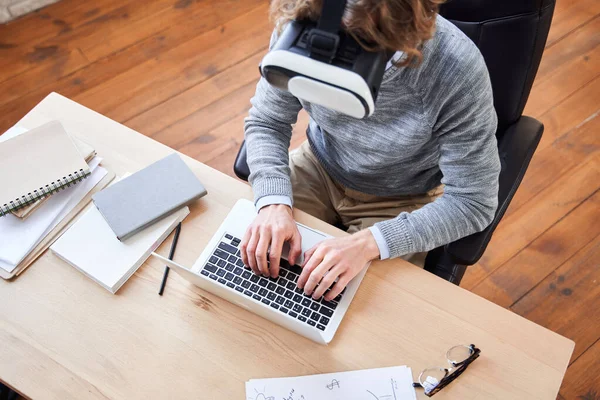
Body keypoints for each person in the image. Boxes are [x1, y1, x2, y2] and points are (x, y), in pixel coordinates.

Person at [241, 0, 500, 303]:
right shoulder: (303, 22)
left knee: (352, 315)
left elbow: (473, 201)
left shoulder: (455, 70)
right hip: (318, 165)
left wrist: (370, 244)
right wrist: (273, 201)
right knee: (251, 274)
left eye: (360, 43)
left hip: (400, 198)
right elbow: (267, 121)